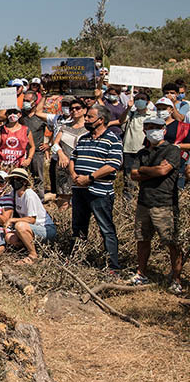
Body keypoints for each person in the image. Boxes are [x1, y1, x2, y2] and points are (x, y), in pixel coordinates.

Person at [128, 117, 183, 292]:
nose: (153, 130)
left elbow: (164, 170)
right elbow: (134, 175)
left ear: (164, 130)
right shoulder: (142, 153)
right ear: (144, 131)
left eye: (157, 127)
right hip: (144, 202)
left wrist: (144, 170)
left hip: (165, 203)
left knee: (171, 242)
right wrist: (151, 171)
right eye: (149, 127)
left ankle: (176, 278)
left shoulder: (172, 150)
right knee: (142, 239)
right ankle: (141, 273)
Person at [69, 104, 124, 272]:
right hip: (79, 190)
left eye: (90, 117)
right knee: (78, 227)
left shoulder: (112, 139)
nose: (86, 119)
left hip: (100, 191)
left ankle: (112, 266)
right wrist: (74, 175)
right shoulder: (83, 138)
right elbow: (74, 157)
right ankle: (77, 259)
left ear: (101, 120)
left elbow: (113, 165)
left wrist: (90, 177)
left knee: (106, 228)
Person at [3, 168, 56, 264]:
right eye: (12, 179)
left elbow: (32, 220)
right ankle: (32, 248)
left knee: (20, 226)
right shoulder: (14, 193)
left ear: (24, 182)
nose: (15, 182)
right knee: (9, 237)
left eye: (18, 179)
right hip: (31, 229)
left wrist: (13, 220)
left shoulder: (29, 195)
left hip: (45, 228)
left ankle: (33, 255)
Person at [48, 99, 87, 209]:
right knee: (63, 197)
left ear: (84, 110)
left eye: (77, 108)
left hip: (81, 165)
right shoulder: (64, 127)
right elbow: (55, 143)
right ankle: (62, 222)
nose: (74, 110)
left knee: (80, 198)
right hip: (63, 164)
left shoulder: (89, 128)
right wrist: (60, 153)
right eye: (72, 109)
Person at [121, 92, 154, 201]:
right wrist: (128, 108)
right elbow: (121, 121)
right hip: (129, 150)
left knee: (144, 176)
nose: (140, 100)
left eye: (142, 99)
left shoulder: (153, 115)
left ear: (148, 102)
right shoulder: (131, 114)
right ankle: (128, 204)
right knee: (128, 179)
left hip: (144, 150)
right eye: (137, 99)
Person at [19, 91, 49, 195]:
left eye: (27, 101)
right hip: (21, 152)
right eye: (24, 100)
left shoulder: (40, 117)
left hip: (37, 151)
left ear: (34, 102)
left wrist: (48, 144)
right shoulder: (19, 115)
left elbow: (55, 129)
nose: (25, 103)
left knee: (38, 177)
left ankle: (39, 198)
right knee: (22, 176)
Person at [0, 108, 34, 172]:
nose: (12, 114)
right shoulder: (1, 129)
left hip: (19, 166)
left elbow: (32, 147)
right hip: (3, 165)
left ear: (20, 114)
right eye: (10, 112)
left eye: (15, 112)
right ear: (6, 115)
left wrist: (29, 159)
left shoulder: (26, 130)